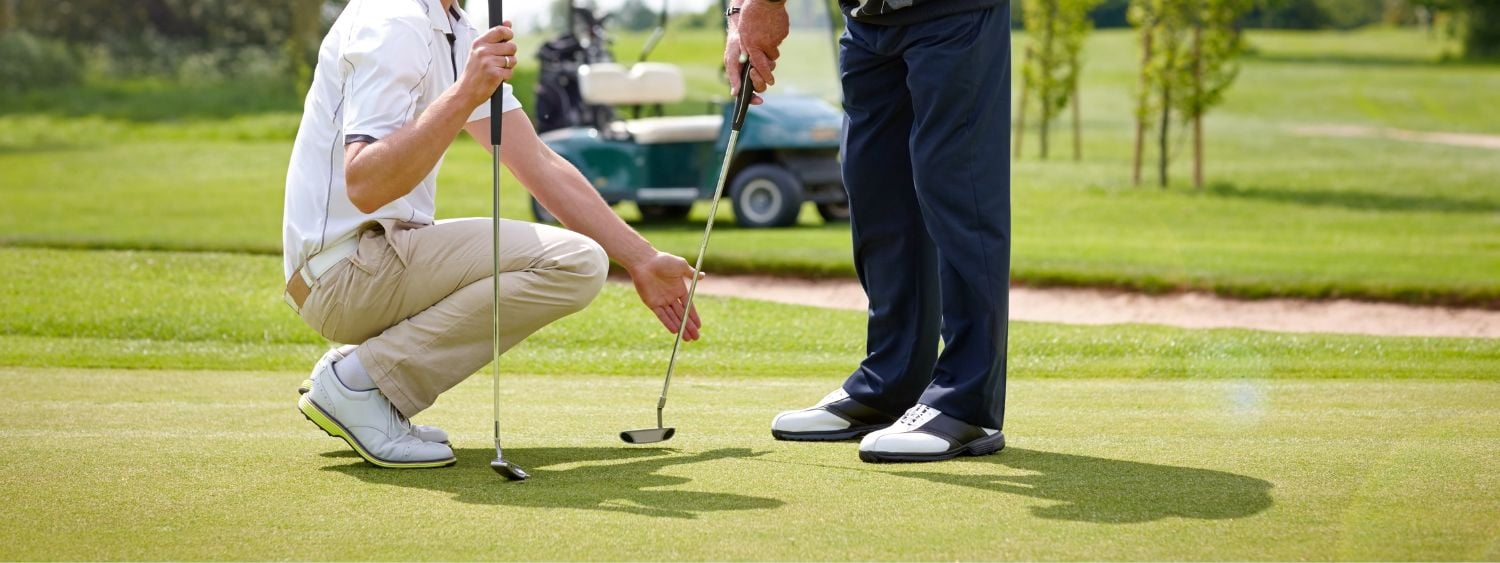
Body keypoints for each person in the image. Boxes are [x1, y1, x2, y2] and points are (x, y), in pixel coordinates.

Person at [282, 0, 702, 468]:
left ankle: (361, 374)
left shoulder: (455, 28)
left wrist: (640, 258)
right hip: (345, 273)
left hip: (370, 260)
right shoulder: (395, 22)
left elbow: (538, 164)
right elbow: (365, 183)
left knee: (581, 260)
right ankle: (360, 381)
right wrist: (465, 92)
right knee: (575, 263)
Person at [731, 0, 1012, 462]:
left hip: (953, 14)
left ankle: (966, 403)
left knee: (958, 189)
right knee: (876, 192)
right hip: (866, 22)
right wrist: (740, 14)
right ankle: (891, 385)